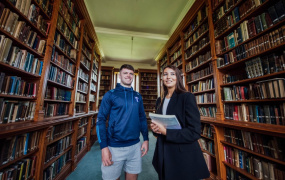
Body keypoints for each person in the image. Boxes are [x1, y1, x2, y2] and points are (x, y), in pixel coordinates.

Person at [151, 65, 210, 180]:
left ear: (178, 78)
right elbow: (161, 124)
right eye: (165, 74)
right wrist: (156, 128)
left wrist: (167, 132)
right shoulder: (160, 100)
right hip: (163, 151)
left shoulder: (187, 97)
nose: (168, 77)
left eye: (172, 74)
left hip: (181, 154)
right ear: (162, 78)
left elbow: (194, 132)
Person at [96, 64, 149, 180]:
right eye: (125, 73)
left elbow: (142, 118)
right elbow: (100, 120)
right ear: (119, 75)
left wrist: (146, 139)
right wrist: (103, 147)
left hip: (135, 146)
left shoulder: (138, 96)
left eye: (131, 73)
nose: (128, 75)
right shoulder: (110, 94)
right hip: (114, 146)